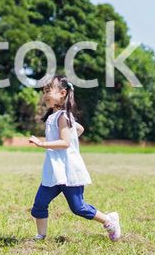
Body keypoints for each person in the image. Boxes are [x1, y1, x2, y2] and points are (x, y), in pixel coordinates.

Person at [27, 75, 121, 241]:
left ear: (63, 93)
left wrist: (42, 144)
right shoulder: (55, 116)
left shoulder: (63, 116)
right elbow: (80, 129)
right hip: (55, 171)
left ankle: (109, 220)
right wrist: (72, 134)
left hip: (68, 171)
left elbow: (64, 142)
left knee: (78, 207)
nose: (45, 95)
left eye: (48, 91)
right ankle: (41, 236)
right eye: (44, 91)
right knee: (39, 204)